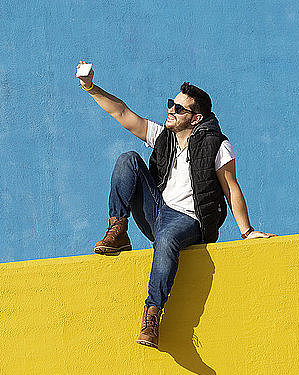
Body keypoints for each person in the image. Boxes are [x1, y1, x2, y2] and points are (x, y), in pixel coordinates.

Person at [76, 61, 276, 349]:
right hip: (156, 212)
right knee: (127, 159)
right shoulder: (163, 137)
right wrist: (90, 86)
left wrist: (247, 231)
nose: (171, 110)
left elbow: (231, 187)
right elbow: (121, 112)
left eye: (180, 108)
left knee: (168, 237)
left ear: (195, 118)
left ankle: (152, 315)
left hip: (189, 221)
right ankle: (118, 230)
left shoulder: (217, 145)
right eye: (172, 104)